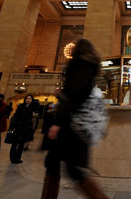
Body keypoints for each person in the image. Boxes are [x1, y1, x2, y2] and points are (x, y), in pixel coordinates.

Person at [44, 39, 110, 198]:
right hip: (79, 124)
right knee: (54, 164)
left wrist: (58, 123)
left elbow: (73, 97)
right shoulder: (89, 67)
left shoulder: (79, 66)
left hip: (71, 125)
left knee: (72, 169)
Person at [9, 94, 37, 164]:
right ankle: (12, 158)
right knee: (14, 143)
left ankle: (18, 158)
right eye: (27, 98)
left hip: (26, 128)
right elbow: (16, 115)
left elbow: (37, 111)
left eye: (30, 98)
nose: (28, 100)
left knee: (21, 144)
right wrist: (13, 125)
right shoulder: (21, 106)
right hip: (18, 127)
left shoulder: (32, 107)